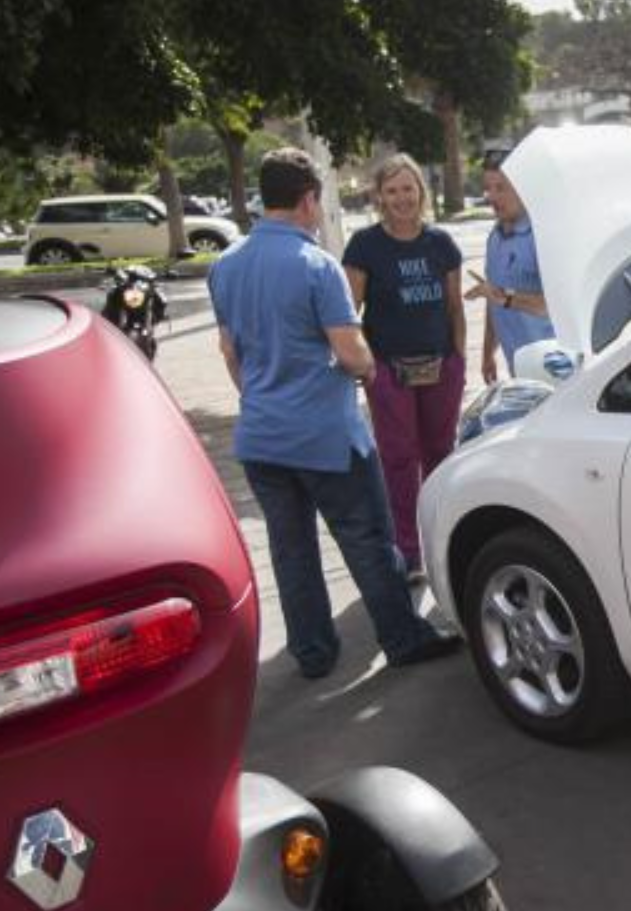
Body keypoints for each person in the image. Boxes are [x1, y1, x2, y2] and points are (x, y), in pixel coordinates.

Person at [209, 147, 458, 679]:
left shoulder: (225, 266)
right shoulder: (316, 264)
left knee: (291, 549)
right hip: (326, 436)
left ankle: (314, 652)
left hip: (261, 437)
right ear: (308, 200)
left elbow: (230, 353)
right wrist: (368, 371)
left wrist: (261, 392)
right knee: (368, 539)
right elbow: (350, 353)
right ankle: (403, 636)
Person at [341, 154, 466, 576]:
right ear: (379, 197)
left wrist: (459, 358)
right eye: (391, 191)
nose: (401, 198)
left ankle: (444, 541)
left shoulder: (442, 244)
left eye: (408, 189)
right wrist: (365, 366)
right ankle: (409, 552)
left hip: (440, 365)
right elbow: (348, 309)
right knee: (398, 457)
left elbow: (454, 309)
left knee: (440, 454)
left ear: (421, 192)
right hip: (389, 370)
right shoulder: (364, 246)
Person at [464, 149, 553, 383]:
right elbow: (493, 299)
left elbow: (556, 305)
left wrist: (506, 297)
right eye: (488, 188)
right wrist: (487, 354)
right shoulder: (494, 237)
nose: (492, 197)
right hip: (519, 371)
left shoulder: (542, 236)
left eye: (501, 188)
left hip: (556, 369)